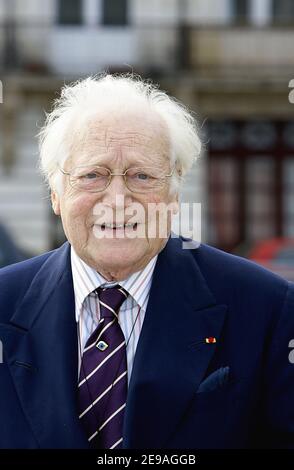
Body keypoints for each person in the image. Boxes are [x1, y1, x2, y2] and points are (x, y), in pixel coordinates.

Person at [0, 74, 293, 450]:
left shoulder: (267, 309)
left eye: (142, 176)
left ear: (174, 194)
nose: (119, 199)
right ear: (56, 195)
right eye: (92, 175)